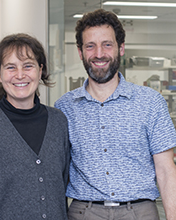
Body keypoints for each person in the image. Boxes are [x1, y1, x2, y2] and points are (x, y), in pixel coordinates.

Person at [55, 8, 176, 220]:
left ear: (121, 48)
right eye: (90, 46)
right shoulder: (64, 107)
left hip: (140, 212)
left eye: (107, 44)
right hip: (84, 212)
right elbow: (56, 172)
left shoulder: (150, 102)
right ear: (80, 52)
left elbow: (166, 171)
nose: (99, 54)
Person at [0, 33, 70, 220]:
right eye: (10, 67)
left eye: (28, 66)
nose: (20, 75)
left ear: (40, 71)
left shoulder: (58, 121)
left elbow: (61, 187)